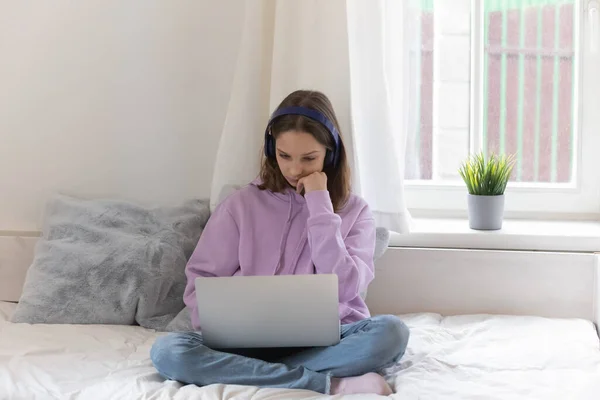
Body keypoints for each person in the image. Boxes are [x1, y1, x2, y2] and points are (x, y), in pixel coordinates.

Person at [150, 90, 409, 395]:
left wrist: (319, 204)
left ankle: (258, 375)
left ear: (332, 153)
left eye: (309, 158)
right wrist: (226, 328)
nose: (295, 169)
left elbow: (346, 287)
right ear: (272, 149)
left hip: (329, 340)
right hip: (244, 345)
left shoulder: (356, 212)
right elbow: (201, 281)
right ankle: (331, 382)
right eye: (284, 156)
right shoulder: (241, 204)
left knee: (392, 333)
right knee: (168, 352)